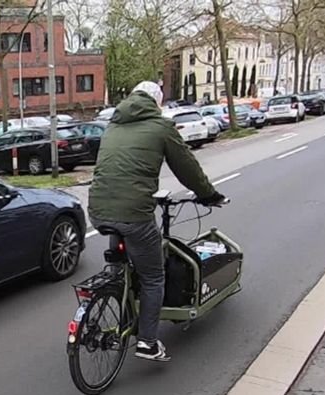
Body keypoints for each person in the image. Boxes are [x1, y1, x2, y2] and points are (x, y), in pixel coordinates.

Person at [89, 81, 225, 362]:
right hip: (134, 214)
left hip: (98, 211)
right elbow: (187, 168)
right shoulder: (161, 127)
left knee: (120, 257)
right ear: (156, 102)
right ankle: (148, 343)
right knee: (153, 276)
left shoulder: (112, 125)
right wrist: (208, 195)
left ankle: (116, 288)